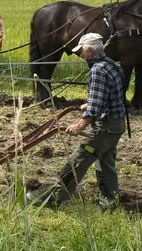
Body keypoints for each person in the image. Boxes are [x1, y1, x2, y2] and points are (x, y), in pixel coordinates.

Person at [27, 32, 126, 210]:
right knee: (106, 163)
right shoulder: (112, 65)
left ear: (89, 50)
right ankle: (110, 202)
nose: (79, 54)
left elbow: (95, 108)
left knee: (79, 159)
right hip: (116, 125)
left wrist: (80, 125)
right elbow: (111, 95)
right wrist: (88, 103)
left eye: (81, 50)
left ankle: (54, 197)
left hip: (103, 128)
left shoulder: (97, 70)